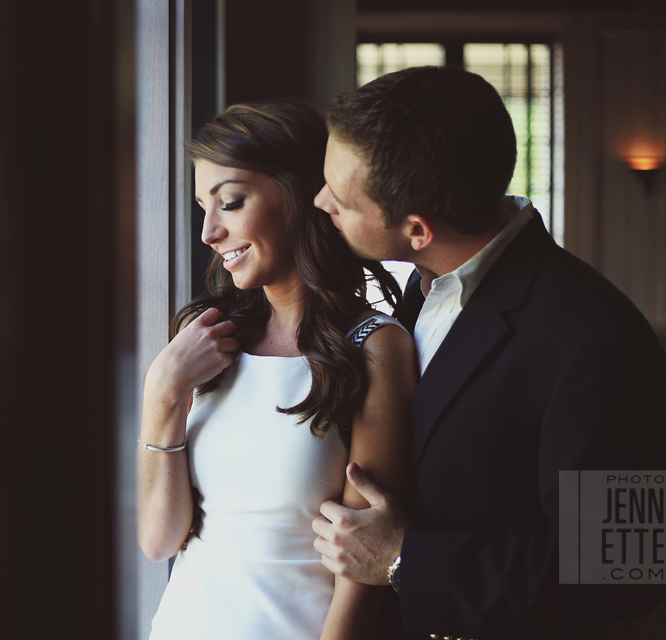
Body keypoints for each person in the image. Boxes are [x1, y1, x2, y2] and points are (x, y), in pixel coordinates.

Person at [311, 65, 666, 640]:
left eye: (342, 199)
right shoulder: (417, 287)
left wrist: (405, 558)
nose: (321, 200)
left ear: (417, 229)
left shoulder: (600, 337)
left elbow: (621, 573)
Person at [137, 100, 418, 640]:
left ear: (297, 195)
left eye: (231, 202)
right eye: (203, 207)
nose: (209, 233)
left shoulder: (375, 348)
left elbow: (362, 569)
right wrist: (163, 391)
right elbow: (159, 541)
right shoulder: (205, 338)